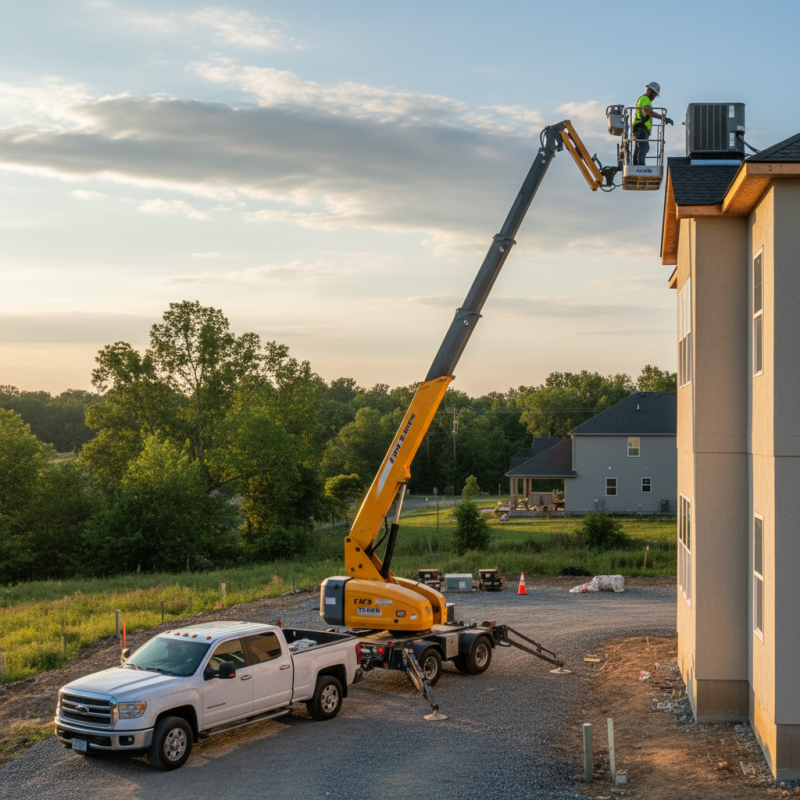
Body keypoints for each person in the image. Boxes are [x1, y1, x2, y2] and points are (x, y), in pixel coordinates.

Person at [633, 82, 673, 165]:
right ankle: (640, 168)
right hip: (641, 127)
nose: (654, 97)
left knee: (639, 148)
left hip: (639, 128)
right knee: (644, 147)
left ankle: (636, 167)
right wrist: (662, 118)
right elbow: (647, 111)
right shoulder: (645, 99)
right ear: (650, 91)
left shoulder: (644, 99)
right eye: (655, 94)